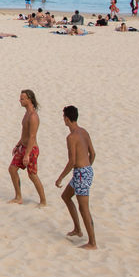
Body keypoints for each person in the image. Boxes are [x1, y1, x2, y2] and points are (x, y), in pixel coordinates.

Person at [54, 105, 97, 249]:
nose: (63, 120)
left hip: (81, 174)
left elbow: (72, 161)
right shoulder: (83, 131)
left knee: (84, 208)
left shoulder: (71, 137)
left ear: (67, 118)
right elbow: (93, 153)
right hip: (87, 171)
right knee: (66, 196)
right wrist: (87, 167)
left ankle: (92, 242)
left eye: (63, 118)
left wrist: (60, 177)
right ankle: (78, 229)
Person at [8, 89, 46, 206]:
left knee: (32, 175)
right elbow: (24, 133)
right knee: (12, 169)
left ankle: (43, 201)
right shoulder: (26, 114)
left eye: (22, 98)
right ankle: (18, 197)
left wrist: (27, 154)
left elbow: (32, 136)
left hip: (31, 149)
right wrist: (18, 145)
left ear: (29, 100)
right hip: (23, 147)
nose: (20, 100)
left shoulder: (33, 116)